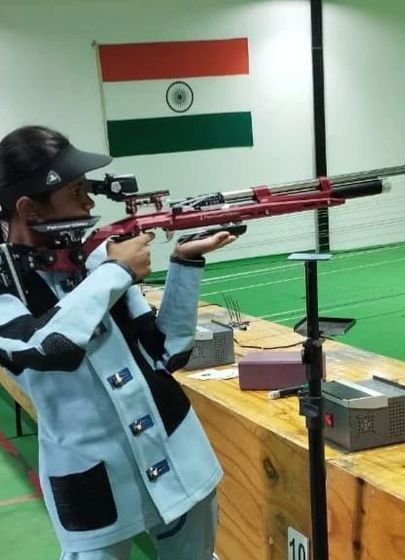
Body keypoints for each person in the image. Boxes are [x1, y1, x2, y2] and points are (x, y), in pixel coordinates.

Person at [0, 125, 237, 560]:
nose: (89, 204)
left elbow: (167, 352)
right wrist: (116, 272)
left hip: (179, 455)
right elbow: (44, 347)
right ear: (29, 209)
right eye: (76, 192)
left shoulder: (94, 258)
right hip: (91, 483)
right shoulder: (11, 281)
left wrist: (185, 262)